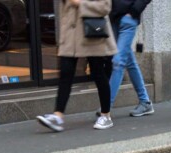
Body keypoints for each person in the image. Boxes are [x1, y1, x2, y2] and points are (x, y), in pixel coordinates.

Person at [36, 0, 116, 132]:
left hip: (91, 34)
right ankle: (58, 116)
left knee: (98, 74)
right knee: (65, 73)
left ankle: (106, 115)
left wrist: (80, 3)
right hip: (70, 37)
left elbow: (105, 7)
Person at [108, 0, 154, 117]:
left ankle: (106, 106)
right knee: (130, 62)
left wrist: (134, 11)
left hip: (128, 19)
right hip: (113, 19)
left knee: (118, 62)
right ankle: (145, 102)